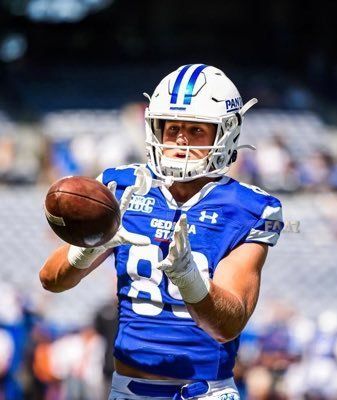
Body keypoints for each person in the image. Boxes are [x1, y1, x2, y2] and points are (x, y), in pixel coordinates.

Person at [39, 64, 284, 400]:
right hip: (128, 389)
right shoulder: (122, 187)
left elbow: (227, 326)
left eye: (196, 130)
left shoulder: (248, 208)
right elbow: (51, 280)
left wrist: (189, 278)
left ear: (225, 133)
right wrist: (91, 245)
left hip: (205, 392)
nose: (181, 140)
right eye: (172, 128)